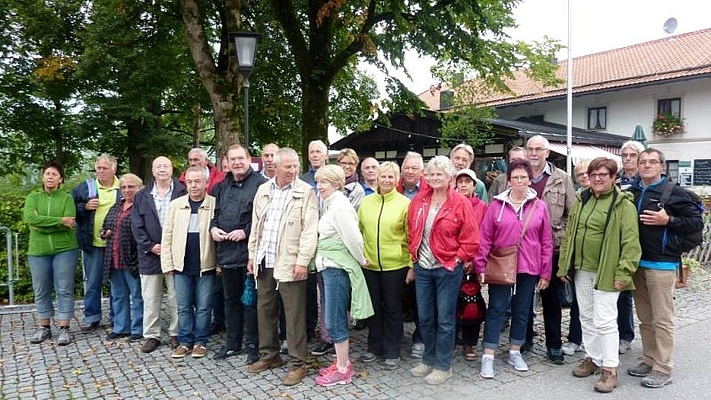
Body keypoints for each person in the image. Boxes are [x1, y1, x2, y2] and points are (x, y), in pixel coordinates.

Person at [557, 157, 642, 393]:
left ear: (614, 178)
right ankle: (593, 358)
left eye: (603, 175)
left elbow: (631, 243)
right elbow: (570, 236)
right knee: (586, 316)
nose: (597, 178)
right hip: (582, 270)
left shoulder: (622, 204)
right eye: (593, 174)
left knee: (605, 319)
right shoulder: (581, 200)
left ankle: (610, 368)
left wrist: (624, 272)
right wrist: (565, 265)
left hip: (607, 271)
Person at [626, 148, 704, 388]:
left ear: (662, 166)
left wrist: (668, 220)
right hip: (637, 263)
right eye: (643, 162)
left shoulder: (675, 192)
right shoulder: (634, 191)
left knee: (662, 318)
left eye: (652, 162)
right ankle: (649, 359)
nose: (647, 166)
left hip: (662, 264)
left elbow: (696, 223)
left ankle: (663, 367)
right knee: (645, 317)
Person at [246, 147, 318, 386]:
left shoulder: (305, 192)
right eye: (288, 166)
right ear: (274, 167)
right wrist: (252, 255)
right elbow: (256, 226)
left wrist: (302, 261)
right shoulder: (263, 190)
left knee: (294, 313)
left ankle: (298, 363)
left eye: (295, 165)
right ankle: (270, 355)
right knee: (264, 309)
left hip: (290, 261)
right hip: (264, 259)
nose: (293, 170)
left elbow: (310, 230)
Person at [475, 159, 553, 379]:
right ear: (508, 180)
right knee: (497, 309)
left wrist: (546, 272)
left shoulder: (539, 206)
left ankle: (515, 351)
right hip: (501, 264)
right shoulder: (496, 206)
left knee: (522, 310)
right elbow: (485, 238)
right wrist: (480, 264)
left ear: (530, 180)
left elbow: (546, 241)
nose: (519, 181)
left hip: (529, 266)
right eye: (515, 177)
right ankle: (488, 355)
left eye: (524, 177)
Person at [408, 156, 479, 385]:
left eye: (440, 174)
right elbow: (412, 231)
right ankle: (428, 360)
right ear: (426, 177)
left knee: (446, 320)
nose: (435, 177)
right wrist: (415, 258)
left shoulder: (460, 203)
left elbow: (471, 239)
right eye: (431, 174)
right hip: (424, 267)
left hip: (447, 268)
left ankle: (443, 365)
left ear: (450, 177)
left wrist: (457, 259)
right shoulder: (419, 201)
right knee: (425, 318)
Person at [312, 165, 373, 386]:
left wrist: (361, 259)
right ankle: (341, 362)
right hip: (329, 268)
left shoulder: (339, 206)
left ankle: (342, 369)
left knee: (335, 319)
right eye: (318, 182)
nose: (320, 186)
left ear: (336, 183)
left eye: (324, 182)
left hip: (337, 268)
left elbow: (354, 238)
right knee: (331, 317)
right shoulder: (332, 204)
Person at [210, 145, 266, 363]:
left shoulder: (261, 185)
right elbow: (214, 215)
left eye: (240, 158)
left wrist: (245, 232)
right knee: (230, 300)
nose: (237, 162)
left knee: (252, 302)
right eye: (232, 159)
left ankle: (254, 345)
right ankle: (233, 343)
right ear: (228, 162)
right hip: (226, 254)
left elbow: (264, 218)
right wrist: (213, 228)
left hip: (251, 255)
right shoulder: (220, 187)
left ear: (248, 159)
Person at [524, 135, 576, 364]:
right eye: (530, 149)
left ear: (547, 153)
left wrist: (565, 246)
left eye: (538, 149)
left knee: (552, 301)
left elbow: (572, 215)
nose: (534, 153)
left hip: (552, 249)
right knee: (524, 299)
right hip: (524, 249)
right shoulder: (517, 176)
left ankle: (553, 345)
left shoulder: (562, 178)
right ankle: (523, 339)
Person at [357, 162, 412, 370]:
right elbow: (358, 232)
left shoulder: (404, 203)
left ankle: (392, 349)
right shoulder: (366, 202)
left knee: (393, 309)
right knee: (373, 309)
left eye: (391, 177)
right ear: (377, 178)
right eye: (383, 176)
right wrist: (361, 257)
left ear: (397, 179)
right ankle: (374, 346)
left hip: (395, 266)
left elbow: (410, 236)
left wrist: (409, 264)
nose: (387, 180)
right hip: (370, 265)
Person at [162, 167, 217, 359]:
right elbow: (167, 235)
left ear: (206, 183)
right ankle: (185, 341)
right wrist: (167, 263)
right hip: (181, 264)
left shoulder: (214, 204)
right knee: (183, 306)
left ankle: (201, 341)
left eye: (198, 181)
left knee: (203, 306)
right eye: (190, 182)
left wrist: (218, 265)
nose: (193, 186)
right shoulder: (176, 205)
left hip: (206, 264)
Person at [131, 156, 185, 353]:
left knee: (176, 296)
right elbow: (136, 226)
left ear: (172, 169)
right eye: (158, 166)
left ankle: (176, 333)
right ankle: (152, 335)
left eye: (166, 166)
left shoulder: (183, 191)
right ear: (153, 171)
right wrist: (150, 246)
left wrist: (172, 247)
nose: (162, 169)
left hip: (175, 253)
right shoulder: (142, 195)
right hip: (149, 254)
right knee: (151, 297)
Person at [24, 161, 79, 346]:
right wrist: (59, 222)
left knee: (64, 288)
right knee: (41, 289)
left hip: (65, 249)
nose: (50, 177)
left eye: (54, 174)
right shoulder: (33, 197)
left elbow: (70, 221)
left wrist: (42, 225)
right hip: (38, 251)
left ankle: (64, 328)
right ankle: (44, 327)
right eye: (47, 173)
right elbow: (30, 219)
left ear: (60, 179)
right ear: (43, 177)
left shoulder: (66, 198)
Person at [72, 154, 121, 332]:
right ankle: (92, 318)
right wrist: (83, 208)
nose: (100, 171)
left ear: (114, 169)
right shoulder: (87, 187)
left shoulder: (122, 187)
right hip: (92, 244)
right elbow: (70, 206)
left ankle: (118, 318)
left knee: (117, 284)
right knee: (92, 283)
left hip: (116, 245)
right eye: (98, 168)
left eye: (104, 168)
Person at [101, 173, 144, 342]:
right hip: (114, 258)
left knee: (137, 295)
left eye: (131, 187)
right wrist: (104, 233)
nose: (127, 190)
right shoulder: (116, 207)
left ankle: (138, 328)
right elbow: (105, 226)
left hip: (133, 258)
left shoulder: (142, 207)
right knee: (118, 295)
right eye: (124, 187)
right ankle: (120, 327)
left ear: (139, 189)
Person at [454, 168, 488, 360]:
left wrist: (474, 261)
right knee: (450, 303)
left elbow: (484, 235)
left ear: (475, 185)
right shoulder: (450, 203)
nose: (464, 184)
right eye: (461, 181)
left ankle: (469, 343)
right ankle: (451, 339)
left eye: (468, 181)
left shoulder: (482, 206)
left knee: (471, 303)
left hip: (473, 262)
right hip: (453, 259)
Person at [396, 151, 427, 358]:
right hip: (398, 254)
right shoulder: (393, 188)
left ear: (422, 171)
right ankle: (395, 339)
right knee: (398, 300)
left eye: (414, 168)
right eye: (406, 167)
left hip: (422, 253)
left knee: (420, 301)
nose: (409, 171)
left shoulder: (428, 190)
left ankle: (420, 339)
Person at [616, 140, 646, 355]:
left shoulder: (645, 180)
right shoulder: (616, 178)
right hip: (618, 242)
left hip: (643, 242)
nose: (627, 158)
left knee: (639, 294)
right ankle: (622, 334)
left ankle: (629, 335)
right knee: (622, 292)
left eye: (632, 155)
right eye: (624, 154)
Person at [560, 159, 591, 356]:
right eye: (580, 175)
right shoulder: (578, 199)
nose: (585, 177)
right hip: (579, 259)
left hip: (600, 260)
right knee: (578, 304)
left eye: (588, 173)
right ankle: (575, 339)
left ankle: (598, 344)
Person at [299, 139, 327, 343]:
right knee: (308, 289)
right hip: (307, 239)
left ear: (325, 155)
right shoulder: (302, 180)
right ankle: (308, 328)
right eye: (312, 152)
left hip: (327, 240)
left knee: (328, 290)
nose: (315, 155)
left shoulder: (333, 177)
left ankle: (329, 333)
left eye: (318, 151)